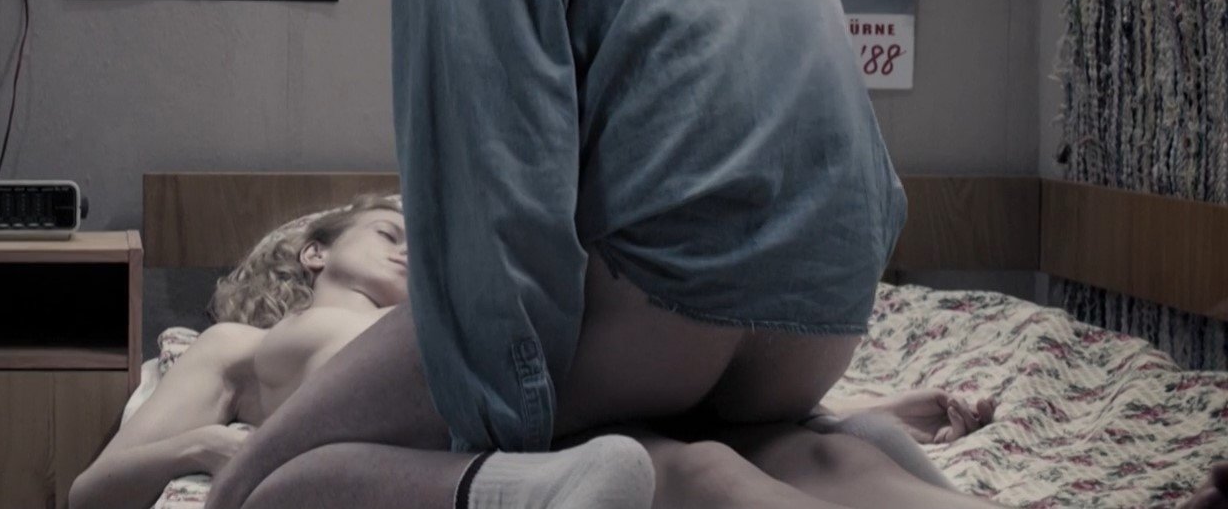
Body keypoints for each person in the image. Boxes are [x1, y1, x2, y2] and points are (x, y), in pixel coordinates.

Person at [200, 0, 993, 509]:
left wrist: (492, 427)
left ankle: (239, 497)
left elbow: (493, 224)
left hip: (668, 316)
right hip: (823, 318)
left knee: (286, 485)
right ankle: (833, 460)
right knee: (710, 447)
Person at [71, 196, 1000, 509]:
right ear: (315, 251)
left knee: (729, 459)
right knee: (686, 471)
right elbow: (93, 491)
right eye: (388, 230)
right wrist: (209, 446)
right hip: (435, 450)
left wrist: (854, 404)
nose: (411, 248)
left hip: (548, 416)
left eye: (426, 240)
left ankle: (849, 449)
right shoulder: (241, 342)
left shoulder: (455, 314)